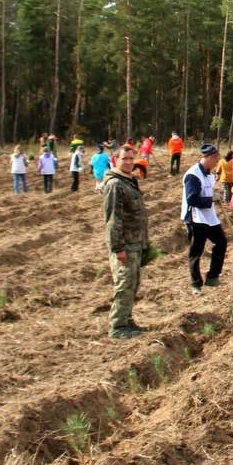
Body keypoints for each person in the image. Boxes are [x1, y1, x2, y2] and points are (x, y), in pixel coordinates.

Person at [102, 144, 149, 339]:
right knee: (124, 284)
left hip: (135, 242)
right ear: (115, 160)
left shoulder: (129, 181)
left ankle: (127, 319)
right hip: (125, 245)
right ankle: (118, 326)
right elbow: (114, 219)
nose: (128, 162)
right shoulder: (115, 185)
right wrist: (118, 248)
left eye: (131, 159)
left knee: (132, 283)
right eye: (124, 159)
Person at [183, 144, 227, 293]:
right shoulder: (193, 175)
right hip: (195, 218)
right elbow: (192, 200)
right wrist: (211, 199)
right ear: (207, 158)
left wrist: (214, 198)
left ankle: (213, 276)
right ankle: (196, 284)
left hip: (209, 215)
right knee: (196, 251)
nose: (217, 161)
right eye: (215, 158)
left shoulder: (209, 173)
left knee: (221, 242)